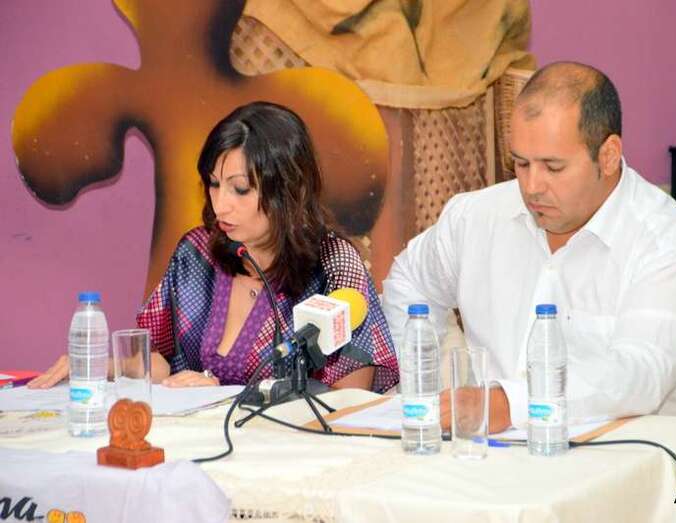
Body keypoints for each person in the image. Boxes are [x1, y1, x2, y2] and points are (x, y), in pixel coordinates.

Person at [381, 61, 676, 433]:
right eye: (521, 164)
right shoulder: (477, 216)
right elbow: (409, 283)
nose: (532, 187)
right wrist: (429, 383)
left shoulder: (671, 244)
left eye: (553, 167)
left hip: (641, 458)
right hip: (497, 457)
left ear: (608, 155)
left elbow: (640, 375)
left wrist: (508, 404)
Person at [29, 101, 399, 392]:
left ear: (290, 190)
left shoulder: (335, 264)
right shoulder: (196, 253)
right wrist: (96, 366)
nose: (220, 206)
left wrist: (225, 396)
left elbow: (351, 399)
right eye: (213, 184)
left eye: (240, 189)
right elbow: (161, 362)